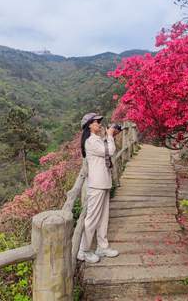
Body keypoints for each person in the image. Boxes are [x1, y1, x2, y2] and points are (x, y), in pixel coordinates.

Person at [77, 112, 120, 263]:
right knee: (92, 219)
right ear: (89, 125)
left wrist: (110, 136)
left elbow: (108, 150)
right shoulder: (90, 141)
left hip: (104, 182)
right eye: (97, 122)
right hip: (96, 184)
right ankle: (84, 250)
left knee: (103, 218)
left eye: (99, 121)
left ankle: (102, 247)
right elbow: (110, 151)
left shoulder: (98, 140)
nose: (99, 124)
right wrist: (109, 135)